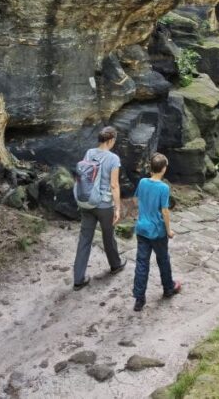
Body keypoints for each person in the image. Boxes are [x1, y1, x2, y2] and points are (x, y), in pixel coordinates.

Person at [72, 126, 126, 290]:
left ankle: (78, 279)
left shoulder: (89, 153)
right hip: (104, 205)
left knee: (85, 239)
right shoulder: (113, 158)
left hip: (87, 202)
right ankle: (115, 265)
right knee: (108, 236)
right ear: (111, 140)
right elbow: (114, 185)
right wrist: (117, 208)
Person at [132, 153, 182, 311]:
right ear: (163, 169)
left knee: (141, 263)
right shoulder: (163, 187)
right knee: (163, 259)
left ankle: (139, 299)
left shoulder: (142, 182)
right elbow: (165, 211)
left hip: (142, 229)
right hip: (157, 231)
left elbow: (136, 200)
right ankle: (168, 288)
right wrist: (169, 231)